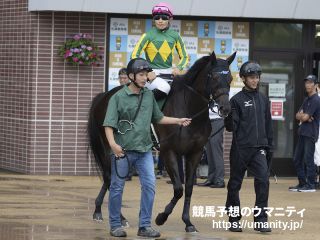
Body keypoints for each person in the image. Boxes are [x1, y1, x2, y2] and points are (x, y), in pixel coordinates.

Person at [103, 58, 191, 238]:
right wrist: (113, 145)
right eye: (141, 75)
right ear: (131, 76)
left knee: (150, 186)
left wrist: (178, 120)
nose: (145, 78)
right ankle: (115, 225)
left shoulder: (149, 95)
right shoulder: (118, 97)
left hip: (144, 151)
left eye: (146, 75)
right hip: (123, 152)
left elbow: (158, 118)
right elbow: (108, 124)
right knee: (117, 187)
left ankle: (144, 226)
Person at [224, 61, 273, 233]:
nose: (255, 80)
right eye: (251, 77)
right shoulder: (236, 100)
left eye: (257, 77)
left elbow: (268, 125)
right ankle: (234, 219)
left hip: (259, 148)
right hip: (240, 149)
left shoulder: (263, 99)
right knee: (234, 184)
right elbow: (230, 127)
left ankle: (261, 220)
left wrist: (269, 148)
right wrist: (228, 115)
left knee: (263, 181)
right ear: (243, 78)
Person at [131, 2, 188, 100]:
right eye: (157, 18)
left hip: (169, 74)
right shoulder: (147, 35)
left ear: (170, 19)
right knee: (164, 87)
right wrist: (147, 71)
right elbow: (134, 56)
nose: (160, 21)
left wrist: (179, 68)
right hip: (151, 75)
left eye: (164, 17)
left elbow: (185, 56)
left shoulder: (175, 36)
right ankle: (147, 112)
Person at [289, 74, 320, 192]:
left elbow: (305, 117)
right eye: (306, 82)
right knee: (297, 159)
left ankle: (311, 185)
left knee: (308, 160)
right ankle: (302, 183)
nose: (308, 85)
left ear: (316, 85)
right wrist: (304, 116)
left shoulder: (316, 100)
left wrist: (305, 116)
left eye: (311, 82)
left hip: (311, 133)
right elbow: (298, 115)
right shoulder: (307, 99)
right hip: (303, 132)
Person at [198, 107, 225, 188]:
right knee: (209, 151)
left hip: (217, 120)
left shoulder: (221, 95)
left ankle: (220, 180)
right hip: (206, 121)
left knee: (216, 151)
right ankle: (211, 178)